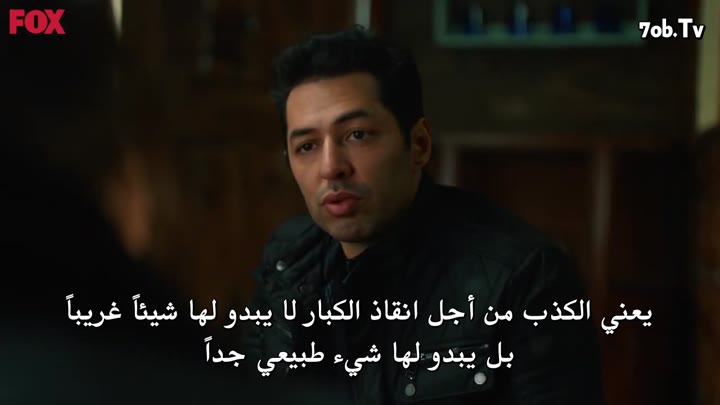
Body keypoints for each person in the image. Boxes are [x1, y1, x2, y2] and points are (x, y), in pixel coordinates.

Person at [242, 26, 606, 404]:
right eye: (307, 146)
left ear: (418, 145)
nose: (331, 167)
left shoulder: (523, 275)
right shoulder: (288, 261)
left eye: (357, 135)